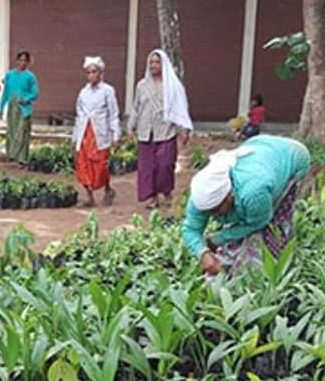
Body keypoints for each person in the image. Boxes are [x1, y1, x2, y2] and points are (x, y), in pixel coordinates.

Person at [182, 135, 310, 277]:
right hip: (260, 149)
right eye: (208, 212)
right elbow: (191, 229)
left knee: (274, 225)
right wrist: (202, 253)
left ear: (229, 195)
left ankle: (277, 267)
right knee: (240, 226)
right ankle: (233, 260)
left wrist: (219, 238)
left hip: (292, 157)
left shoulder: (253, 192)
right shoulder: (201, 195)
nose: (213, 215)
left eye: (216, 210)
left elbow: (259, 222)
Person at [130, 49, 193, 210]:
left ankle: (166, 191)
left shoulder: (172, 86)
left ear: (163, 64)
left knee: (165, 165)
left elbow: (180, 109)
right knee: (147, 167)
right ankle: (152, 197)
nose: (153, 65)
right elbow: (136, 107)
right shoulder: (142, 86)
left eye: (157, 62)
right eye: (151, 62)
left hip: (166, 132)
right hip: (146, 132)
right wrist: (132, 125)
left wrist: (183, 130)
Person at [74, 56, 120, 206]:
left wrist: (116, 134)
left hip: (100, 133)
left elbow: (113, 114)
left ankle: (108, 189)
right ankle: (89, 196)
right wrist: (75, 137)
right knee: (83, 165)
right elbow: (79, 115)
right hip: (84, 134)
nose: (91, 75)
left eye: (94, 72)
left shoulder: (108, 91)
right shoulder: (83, 92)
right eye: (88, 72)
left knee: (100, 166)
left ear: (100, 73)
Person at [0, 50, 39, 164]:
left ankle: (22, 159)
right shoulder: (10, 75)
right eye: (20, 60)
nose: (22, 63)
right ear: (17, 61)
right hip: (12, 107)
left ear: (28, 62)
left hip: (24, 108)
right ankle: (11, 156)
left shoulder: (30, 77)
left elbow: (35, 93)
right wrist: (1, 108)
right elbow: (6, 92)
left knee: (22, 133)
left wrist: (26, 99)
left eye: (25, 61)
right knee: (11, 131)